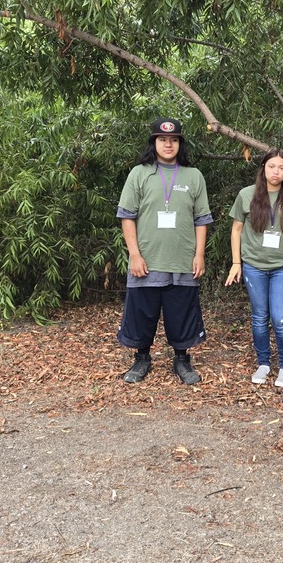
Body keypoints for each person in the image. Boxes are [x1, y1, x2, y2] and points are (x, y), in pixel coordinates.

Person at [116, 118, 212, 385]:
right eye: (162, 139)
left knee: (181, 312)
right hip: (147, 259)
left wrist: (199, 254)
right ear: (154, 142)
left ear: (180, 143)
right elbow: (127, 216)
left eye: (173, 139)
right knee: (142, 313)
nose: (168, 144)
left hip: (183, 259)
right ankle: (141, 358)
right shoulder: (139, 173)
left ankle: (182, 359)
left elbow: (201, 219)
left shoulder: (193, 176)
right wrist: (134, 254)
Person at [225, 150, 283, 387]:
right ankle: (263, 363)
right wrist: (236, 263)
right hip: (254, 265)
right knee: (259, 317)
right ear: (263, 167)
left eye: (282, 168)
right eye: (272, 166)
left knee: (280, 318)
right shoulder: (246, 195)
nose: (276, 172)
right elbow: (237, 229)